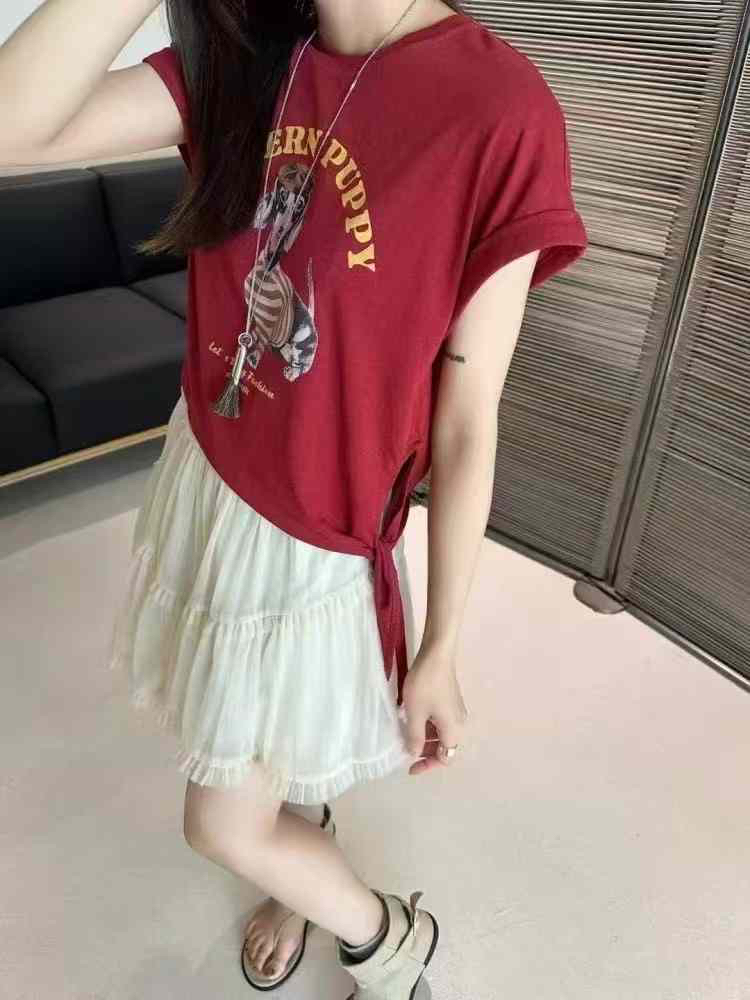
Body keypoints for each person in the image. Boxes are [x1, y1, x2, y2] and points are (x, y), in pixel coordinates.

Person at [0, 0, 587, 994]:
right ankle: (306, 838)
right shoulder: (248, 56)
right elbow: (12, 129)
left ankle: (392, 938)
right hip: (212, 465)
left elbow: (465, 415)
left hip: (312, 532)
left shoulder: (497, 108)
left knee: (220, 825)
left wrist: (444, 641)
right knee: (268, 745)